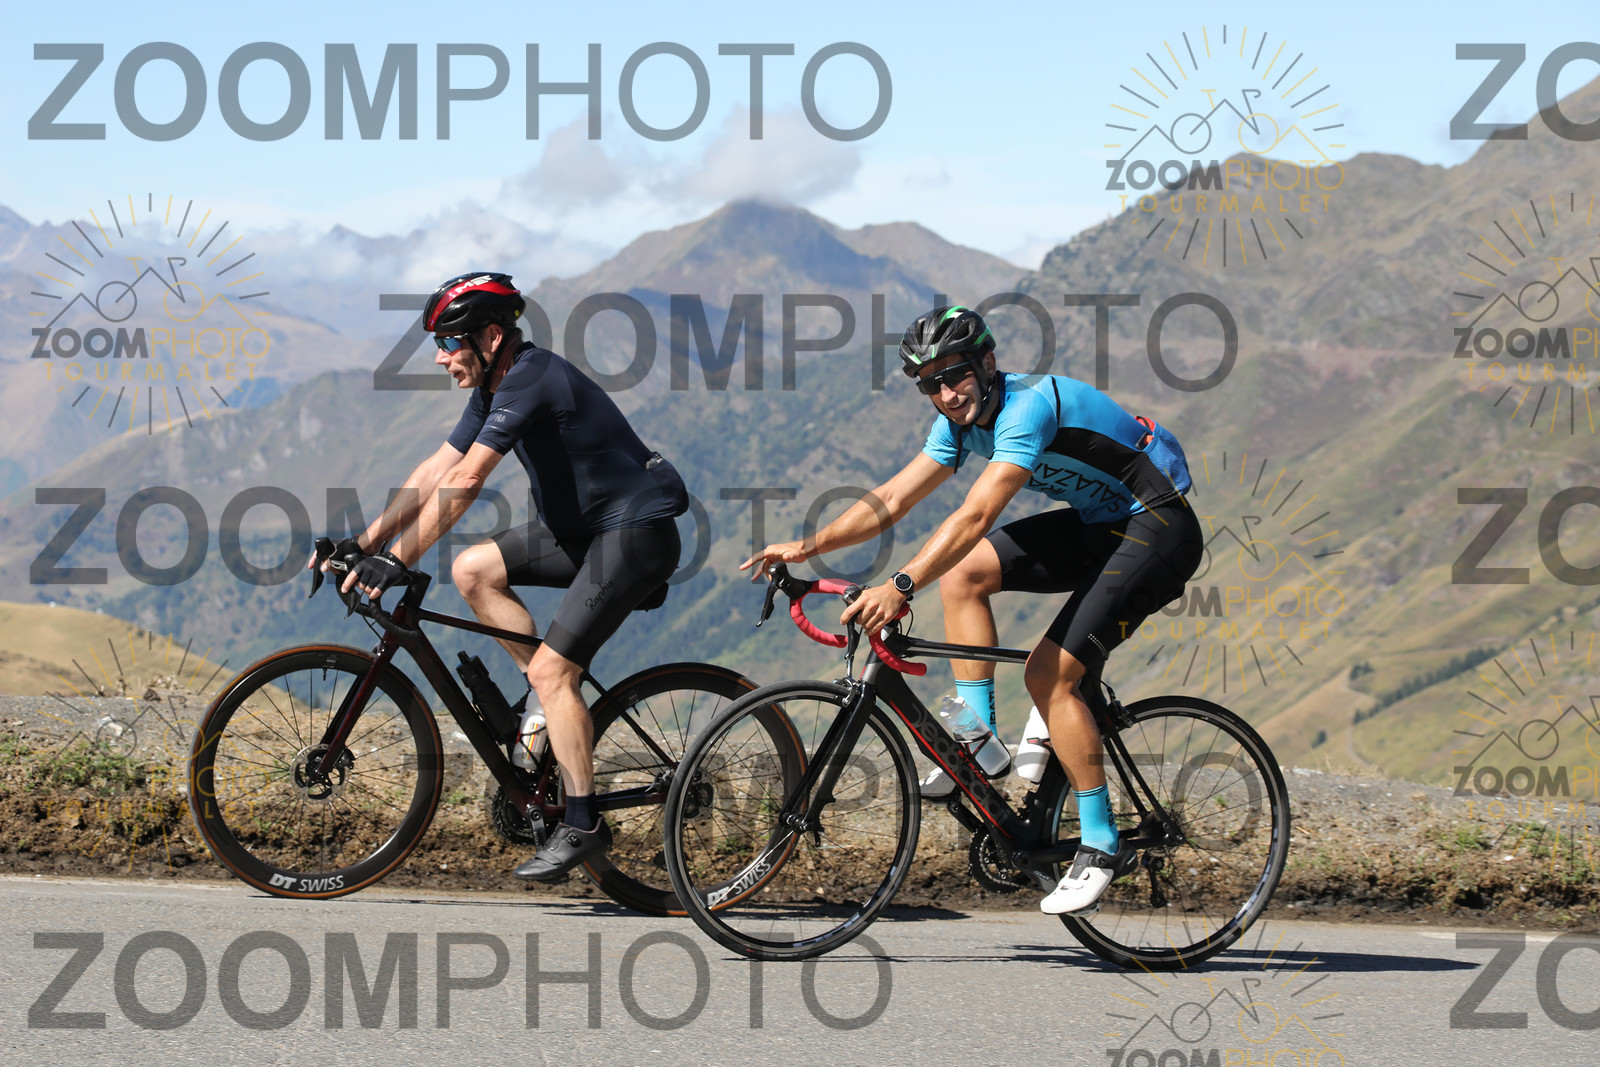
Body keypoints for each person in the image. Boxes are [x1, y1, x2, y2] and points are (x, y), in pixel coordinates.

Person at [742, 305, 1200, 915]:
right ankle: (979, 740)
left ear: (987, 363)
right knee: (963, 576)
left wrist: (901, 584)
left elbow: (977, 515)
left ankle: (1100, 843)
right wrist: (806, 546)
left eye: (954, 375)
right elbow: (891, 498)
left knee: (1049, 676)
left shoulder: (1026, 408)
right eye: (929, 384)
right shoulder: (958, 422)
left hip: (1158, 528)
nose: (945, 394)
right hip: (1101, 526)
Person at [330, 272, 689, 882]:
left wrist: (399, 559)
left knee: (555, 671)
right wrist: (364, 544)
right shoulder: (495, 384)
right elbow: (438, 468)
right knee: (472, 570)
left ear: (491, 337)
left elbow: (467, 481)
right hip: (586, 533)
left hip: (636, 536)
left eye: (450, 343)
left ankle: (583, 821)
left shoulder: (532, 377)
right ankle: (543, 711)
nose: (441, 358)